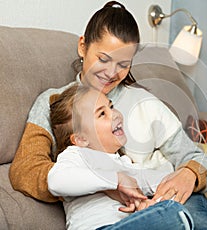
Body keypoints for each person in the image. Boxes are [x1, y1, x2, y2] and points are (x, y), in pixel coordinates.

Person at [9, 1, 207, 229]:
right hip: (118, 214)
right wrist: (106, 183)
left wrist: (189, 174)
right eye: (103, 59)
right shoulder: (55, 102)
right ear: (82, 46)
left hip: (162, 198)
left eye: (123, 64)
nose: (111, 73)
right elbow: (25, 170)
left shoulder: (146, 103)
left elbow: (195, 157)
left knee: (194, 219)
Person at [48, 83, 194, 229]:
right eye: (102, 114)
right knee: (174, 215)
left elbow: (163, 183)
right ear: (81, 139)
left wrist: (151, 205)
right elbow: (56, 181)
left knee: (175, 209)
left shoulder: (126, 164)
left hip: (127, 224)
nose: (114, 114)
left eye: (111, 107)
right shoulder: (78, 155)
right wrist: (116, 179)